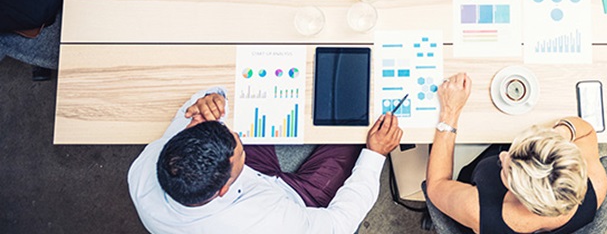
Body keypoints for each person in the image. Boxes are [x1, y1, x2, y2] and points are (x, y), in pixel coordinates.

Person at [128, 87, 402, 233]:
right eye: (240, 151)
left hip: (249, 181)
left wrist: (211, 98)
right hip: (292, 200)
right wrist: (376, 154)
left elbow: (196, 106)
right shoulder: (266, 224)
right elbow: (339, 224)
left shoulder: (149, 163)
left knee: (258, 99)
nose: (237, 134)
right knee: (355, 130)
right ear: (224, 188)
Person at [425, 73, 607, 233]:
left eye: (507, 171)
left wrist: (450, 112)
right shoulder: (596, 186)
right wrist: (559, 134)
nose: (503, 155)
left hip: (469, 178)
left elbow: (436, 185)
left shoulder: (479, 210)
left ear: (520, 196)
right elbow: (587, 131)